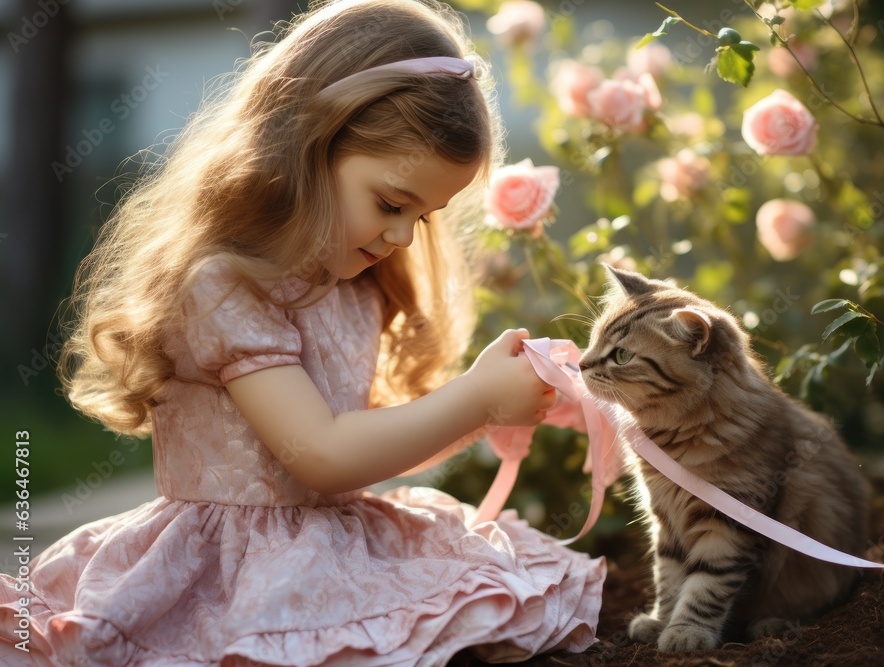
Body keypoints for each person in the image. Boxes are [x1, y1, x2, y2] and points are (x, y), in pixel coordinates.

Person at [0, 0, 606, 664]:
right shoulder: (224, 286)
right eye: (391, 203)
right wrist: (479, 399)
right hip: (231, 568)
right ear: (304, 148)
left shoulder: (357, 283)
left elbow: (365, 452)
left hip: (333, 542)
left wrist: (511, 398)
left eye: (425, 217)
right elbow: (320, 453)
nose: (403, 235)